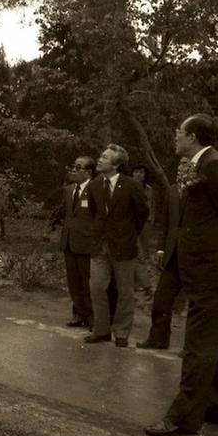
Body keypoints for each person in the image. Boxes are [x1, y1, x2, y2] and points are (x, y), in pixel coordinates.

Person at [145, 114, 218, 436]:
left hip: (214, 272)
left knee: (197, 346)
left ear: (191, 137)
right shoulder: (203, 164)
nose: (175, 137)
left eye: (178, 132)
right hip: (209, 270)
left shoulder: (215, 165)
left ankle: (183, 418)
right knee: (216, 344)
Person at [84, 144, 149, 347]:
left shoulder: (131, 185)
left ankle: (121, 333)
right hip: (100, 246)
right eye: (101, 156)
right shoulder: (94, 185)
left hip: (124, 246)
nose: (100, 159)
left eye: (105, 157)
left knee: (125, 291)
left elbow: (142, 214)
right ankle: (101, 330)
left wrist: (128, 234)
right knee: (96, 287)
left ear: (116, 164)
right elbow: (95, 213)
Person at [136, 159, 188, 350]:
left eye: (187, 166)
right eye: (180, 165)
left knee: (197, 306)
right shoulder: (173, 191)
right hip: (172, 255)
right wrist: (160, 248)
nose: (182, 169)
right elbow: (165, 223)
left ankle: (192, 347)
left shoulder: (201, 191)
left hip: (193, 256)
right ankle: (158, 339)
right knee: (161, 300)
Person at [46, 156, 95, 328]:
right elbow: (63, 212)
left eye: (79, 167)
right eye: (73, 166)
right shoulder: (68, 190)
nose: (74, 170)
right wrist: (51, 228)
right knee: (73, 282)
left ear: (89, 172)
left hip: (86, 243)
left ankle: (92, 318)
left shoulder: (95, 189)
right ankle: (78, 314)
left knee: (87, 282)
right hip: (69, 242)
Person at [132, 164, 155, 298]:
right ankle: (139, 283)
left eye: (142, 172)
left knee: (143, 252)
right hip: (132, 223)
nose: (139, 175)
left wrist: (151, 220)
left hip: (145, 223)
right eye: (136, 172)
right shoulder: (128, 186)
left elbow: (152, 206)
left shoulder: (149, 189)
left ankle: (140, 283)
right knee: (135, 251)